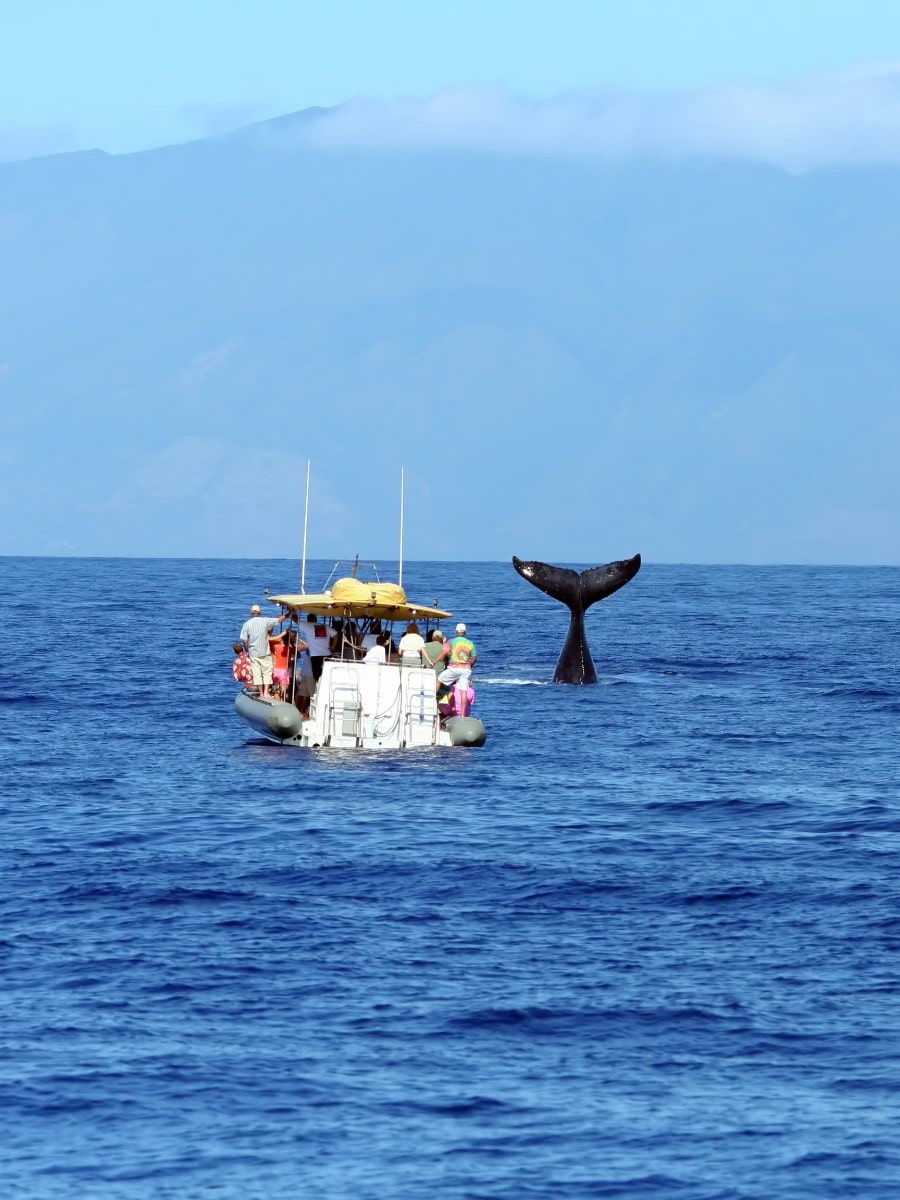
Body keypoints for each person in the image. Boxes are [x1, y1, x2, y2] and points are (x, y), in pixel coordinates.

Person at [240, 603, 291, 700]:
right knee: (267, 672)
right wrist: (289, 614)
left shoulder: (246, 624)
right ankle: (266, 692)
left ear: (251, 613)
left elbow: (245, 640)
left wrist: (247, 651)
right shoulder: (265, 621)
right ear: (260, 612)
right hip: (265, 652)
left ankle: (261, 694)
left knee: (257, 674)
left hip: (254, 653)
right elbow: (279, 620)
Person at [297, 613, 338, 682]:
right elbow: (336, 634)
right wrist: (333, 646)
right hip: (327, 654)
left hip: (315, 656)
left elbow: (295, 619)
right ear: (316, 619)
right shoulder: (325, 626)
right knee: (327, 674)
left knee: (317, 676)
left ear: (308, 620)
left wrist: (291, 612)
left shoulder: (307, 626)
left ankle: (318, 686)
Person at [439, 622, 478, 693]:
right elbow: (474, 657)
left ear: (456, 632)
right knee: (463, 691)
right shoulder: (470, 643)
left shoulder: (451, 641)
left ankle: (435, 696)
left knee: (440, 680)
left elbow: (445, 652)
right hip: (465, 669)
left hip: (453, 668)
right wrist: (469, 665)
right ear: (465, 632)